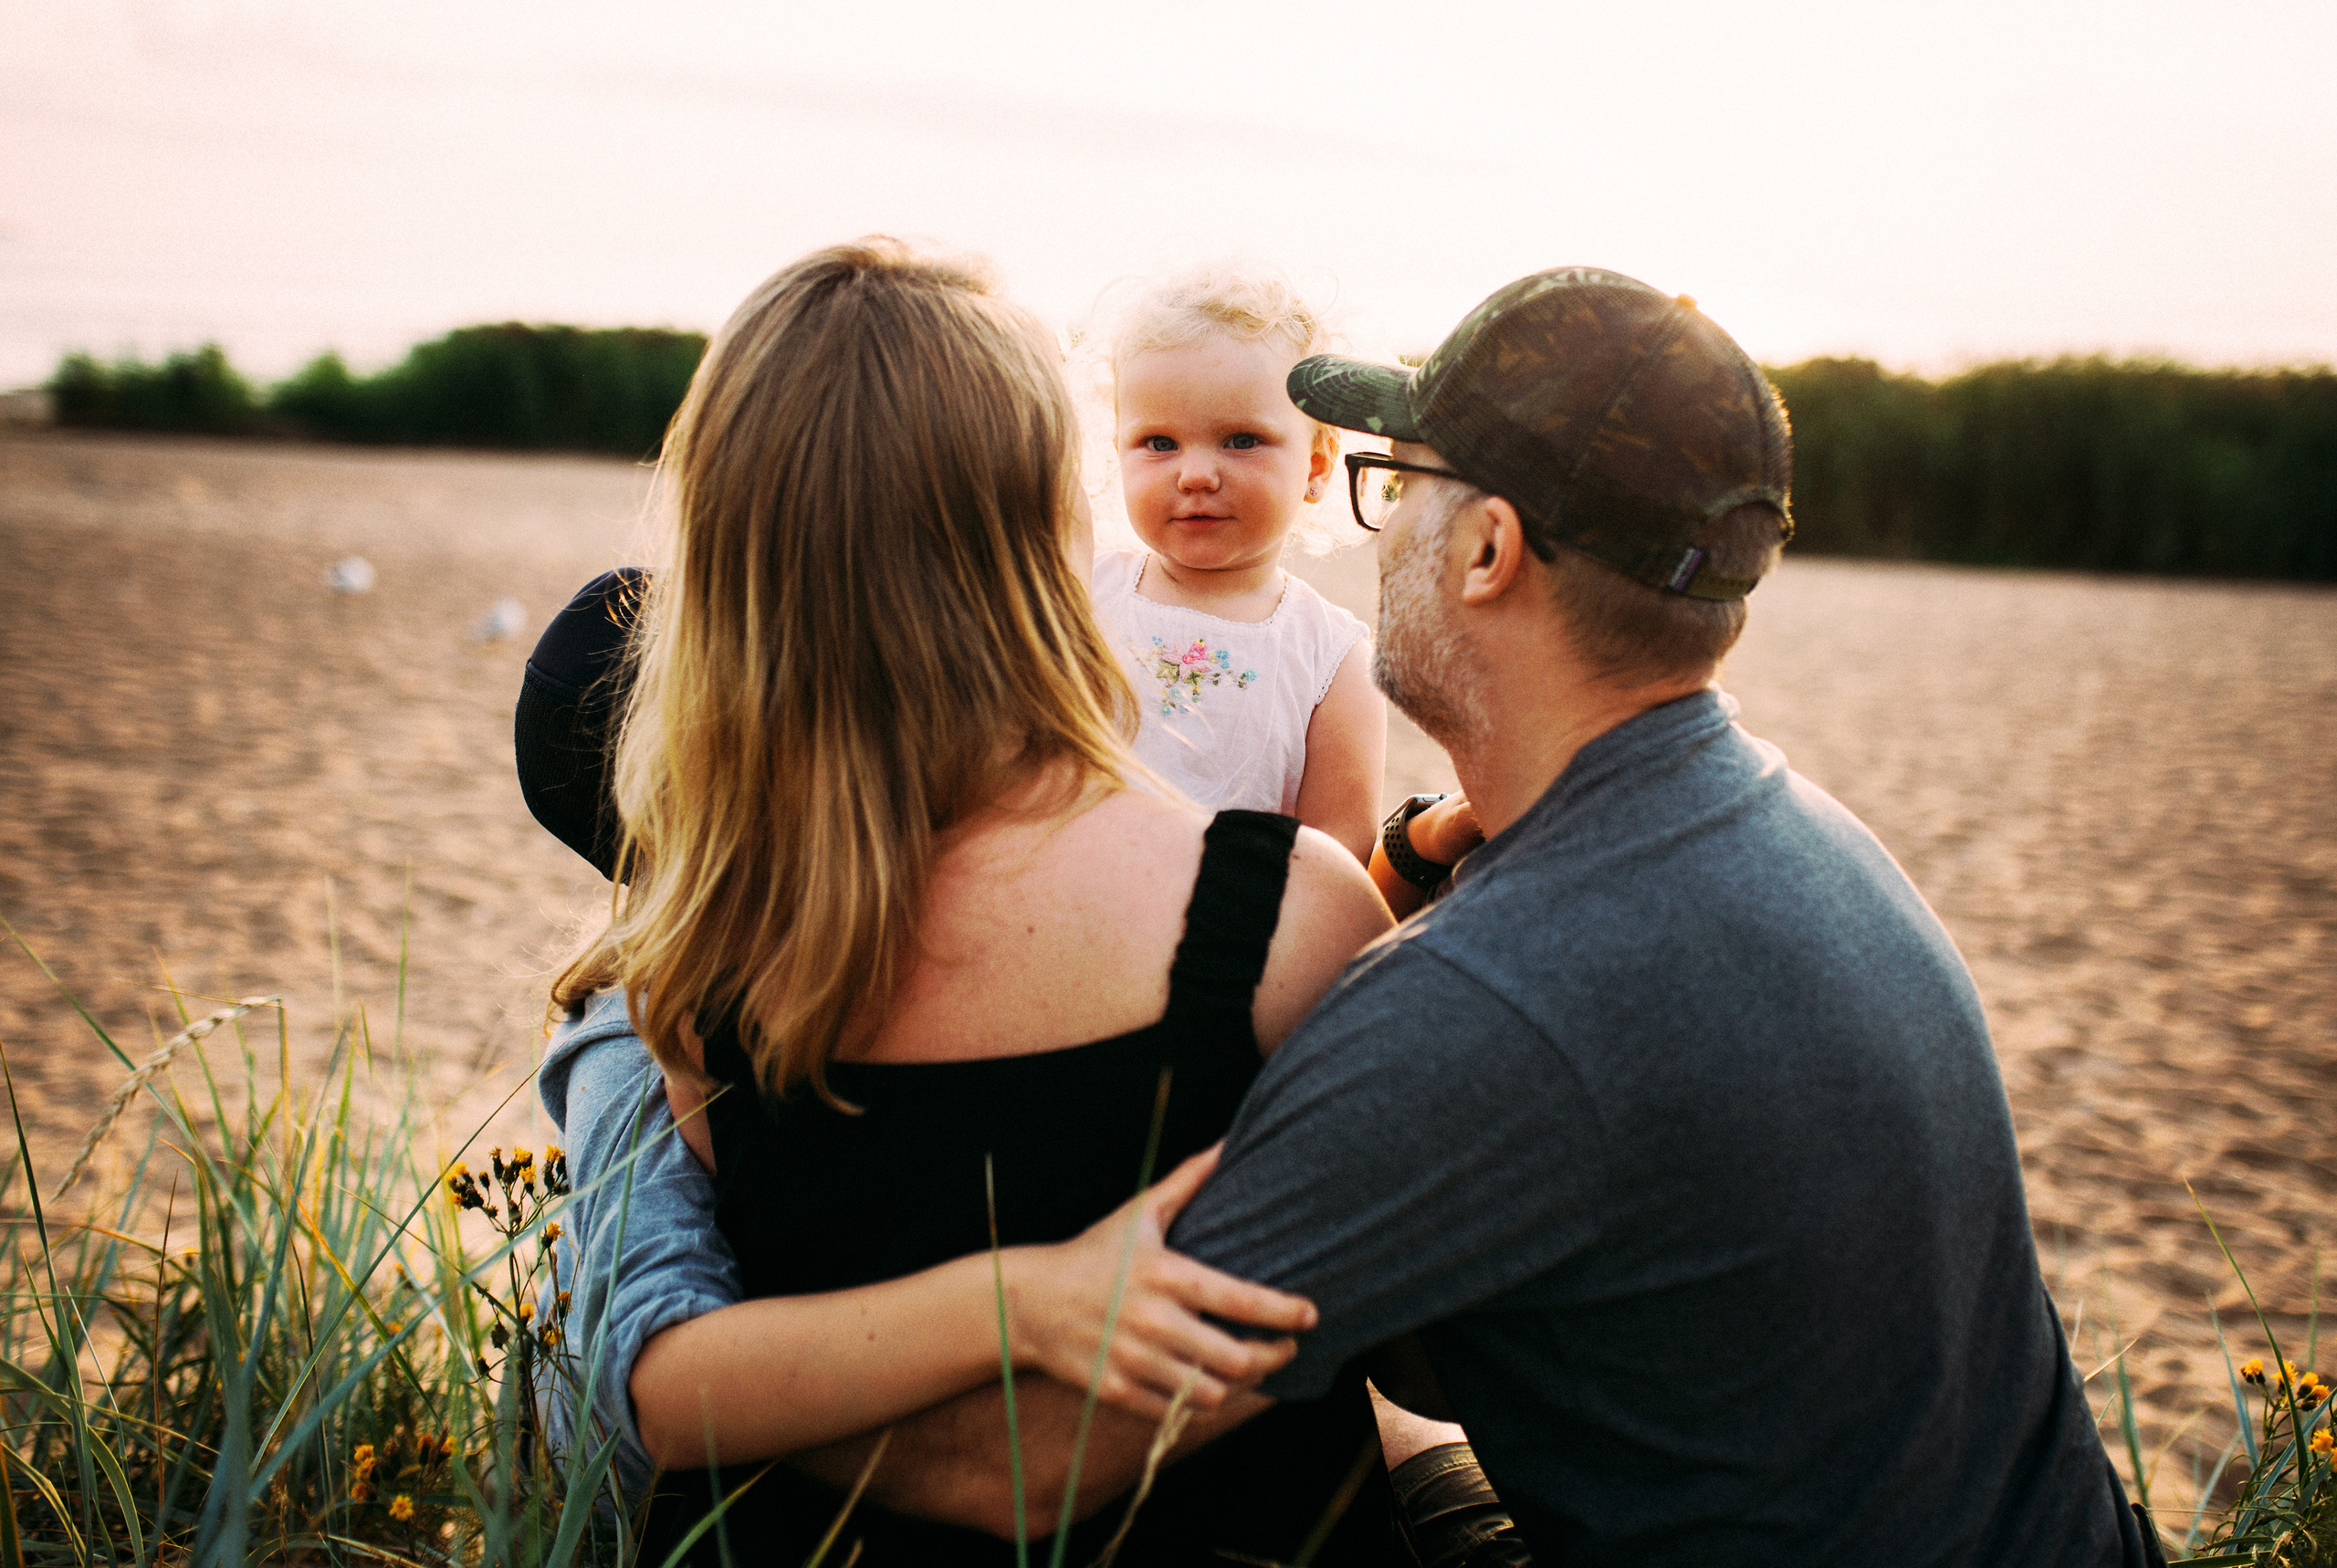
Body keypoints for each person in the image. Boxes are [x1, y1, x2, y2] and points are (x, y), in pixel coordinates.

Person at [739, 267, 2160, 1566]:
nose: (1374, 532)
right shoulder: (1797, 830)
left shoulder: (1491, 1005)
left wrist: (687, 1392)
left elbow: (1012, 1468)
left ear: (1487, 548)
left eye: (1393, 484)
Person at [525, 237, 1412, 1565]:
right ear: (1056, 529)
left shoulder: (691, 953)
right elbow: (1416, 1329)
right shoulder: (1287, 915)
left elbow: (691, 1329)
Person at [1085, 264, 1385, 862]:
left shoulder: (1331, 660)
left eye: (1241, 440)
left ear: (1318, 463)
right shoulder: (1080, 594)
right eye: (1160, 443)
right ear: (1118, 450)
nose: (1196, 475)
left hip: (1227, 917)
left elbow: (1335, 860)